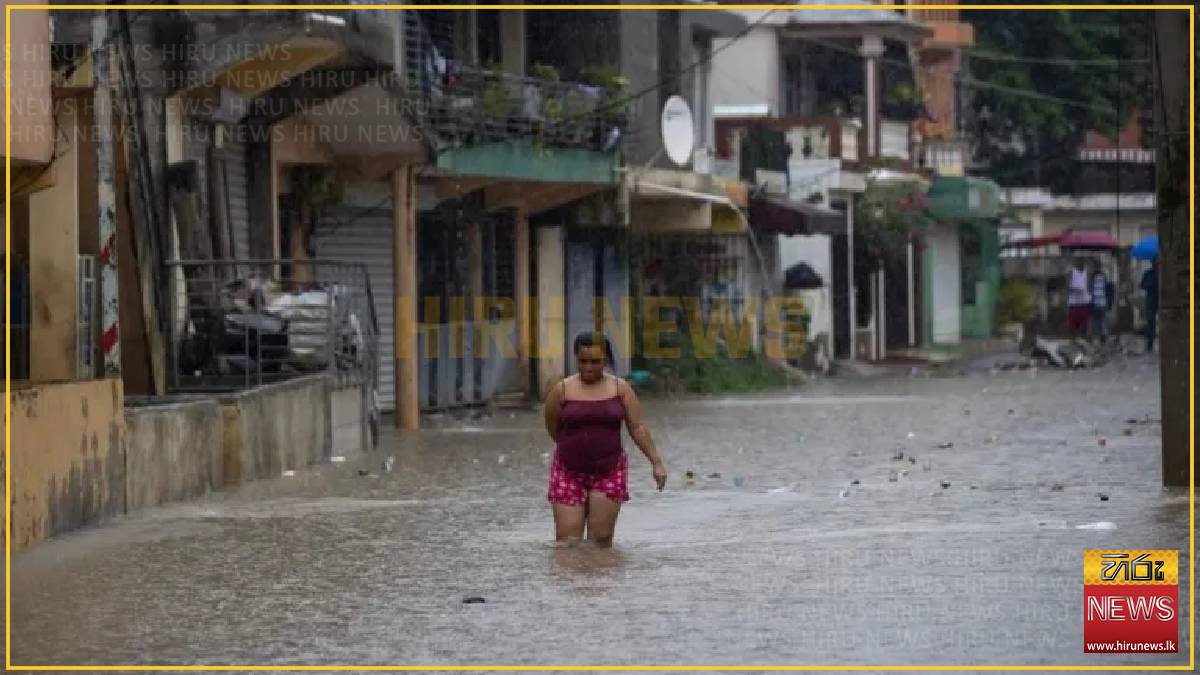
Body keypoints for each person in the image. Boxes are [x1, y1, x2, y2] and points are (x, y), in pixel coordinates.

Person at [543, 332, 667, 547]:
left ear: (606, 360)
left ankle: (600, 571)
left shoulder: (620, 389)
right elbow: (553, 426)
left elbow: (637, 427)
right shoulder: (562, 390)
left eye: (595, 362)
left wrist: (656, 462)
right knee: (567, 543)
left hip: (609, 471)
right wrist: (575, 446)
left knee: (600, 542)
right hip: (568, 471)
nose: (588, 367)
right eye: (583, 361)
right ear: (576, 359)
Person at [1066, 258, 1092, 341]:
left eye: (1082, 262)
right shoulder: (1071, 272)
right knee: (1073, 324)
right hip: (1074, 303)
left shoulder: (1087, 272)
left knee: (1084, 324)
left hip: (1084, 302)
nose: (1081, 263)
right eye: (1079, 262)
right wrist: (1074, 289)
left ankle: (1083, 338)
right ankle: (1074, 339)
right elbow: (1068, 287)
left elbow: (1089, 286)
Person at [1089, 261, 1113, 344]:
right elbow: (1109, 289)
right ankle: (1101, 336)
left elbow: (1090, 290)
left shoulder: (1094, 277)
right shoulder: (1103, 276)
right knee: (1100, 320)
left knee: (1098, 320)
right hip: (1100, 302)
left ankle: (1100, 337)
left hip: (1098, 303)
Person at [1141, 263, 1159, 353]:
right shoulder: (1148, 273)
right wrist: (1150, 285)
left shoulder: (1162, 273)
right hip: (1151, 301)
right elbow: (1142, 285)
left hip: (1162, 300)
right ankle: (1150, 343)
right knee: (1150, 321)